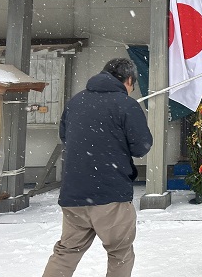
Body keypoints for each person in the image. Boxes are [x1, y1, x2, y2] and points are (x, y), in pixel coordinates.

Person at [43, 58, 153, 277]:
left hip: (74, 194)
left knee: (66, 252)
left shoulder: (76, 102)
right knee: (120, 253)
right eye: (132, 85)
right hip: (111, 193)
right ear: (128, 80)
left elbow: (65, 137)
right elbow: (141, 146)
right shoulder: (126, 104)